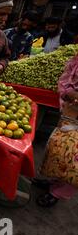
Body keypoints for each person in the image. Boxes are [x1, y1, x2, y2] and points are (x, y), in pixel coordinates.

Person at [33, 54, 78, 207]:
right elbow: (66, 79)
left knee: (75, 161)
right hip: (71, 111)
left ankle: (59, 193)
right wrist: (67, 93)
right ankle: (54, 182)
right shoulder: (76, 59)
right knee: (62, 149)